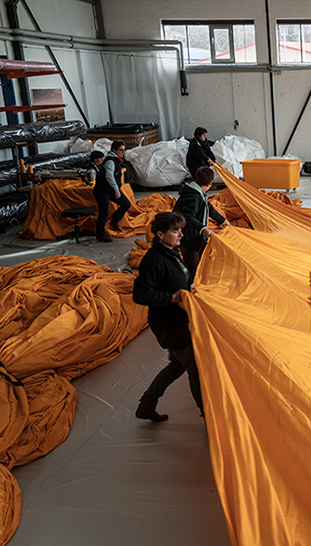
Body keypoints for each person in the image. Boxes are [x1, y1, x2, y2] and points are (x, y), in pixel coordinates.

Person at [133, 211, 203, 421]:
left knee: (177, 365)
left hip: (177, 319)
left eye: (181, 230)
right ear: (161, 234)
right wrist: (172, 297)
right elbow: (141, 294)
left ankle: (146, 406)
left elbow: (174, 280)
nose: (181, 235)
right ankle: (208, 415)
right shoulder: (154, 260)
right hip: (168, 324)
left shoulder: (172, 252)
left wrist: (188, 288)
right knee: (194, 367)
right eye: (176, 231)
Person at [173, 166, 230, 277]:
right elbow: (188, 216)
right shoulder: (193, 196)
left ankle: (200, 278)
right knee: (192, 265)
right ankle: (191, 286)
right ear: (211, 182)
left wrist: (222, 221)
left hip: (196, 236)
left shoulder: (198, 193)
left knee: (204, 257)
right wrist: (203, 229)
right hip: (188, 238)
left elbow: (208, 207)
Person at [93, 140, 132, 242]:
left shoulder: (117, 160)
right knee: (104, 212)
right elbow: (109, 176)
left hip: (110, 190)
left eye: (124, 150)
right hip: (102, 190)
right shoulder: (110, 161)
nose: (123, 152)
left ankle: (115, 220)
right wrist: (116, 190)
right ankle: (100, 234)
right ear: (114, 150)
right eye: (120, 150)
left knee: (126, 204)